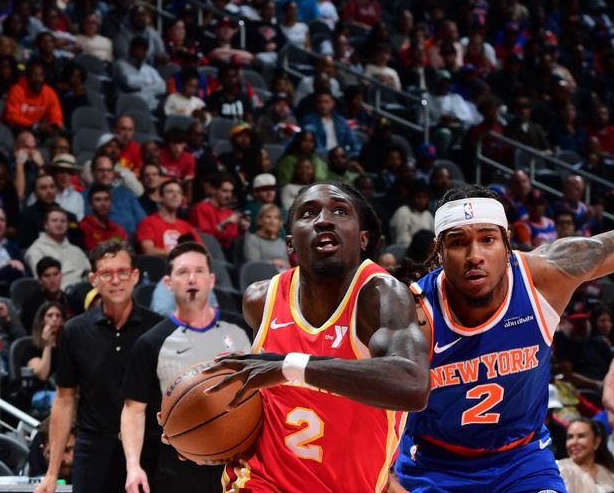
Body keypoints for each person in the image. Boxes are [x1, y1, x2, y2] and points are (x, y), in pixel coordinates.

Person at [203, 181, 429, 492]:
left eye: (339, 211)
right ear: (291, 242)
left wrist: (289, 366)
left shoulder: (380, 295)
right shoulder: (261, 299)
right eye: (308, 213)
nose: (323, 219)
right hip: (260, 483)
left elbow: (413, 385)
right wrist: (203, 428)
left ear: (364, 238)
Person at [394, 183, 614, 491]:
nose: (475, 256)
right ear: (439, 251)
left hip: (522, 460)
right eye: (458, 243)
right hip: (435, 466)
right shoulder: (412, 313)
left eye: (488, 239)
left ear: (507, 242)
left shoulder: (544, 277)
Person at [121, 242, 251, 493]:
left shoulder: (244, 329)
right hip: (179, 464)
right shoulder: (150, 343)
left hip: (240, 462)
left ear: (211, 279)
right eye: (183, 272)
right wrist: (133, 466)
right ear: (168, 283)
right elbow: (132, 411)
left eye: (199, 271)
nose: (192, 278)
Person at [34, 241, 162, 493]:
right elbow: (64, 400)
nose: (116, 280)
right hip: (93, 450)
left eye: (122, 272)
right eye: (106, 273)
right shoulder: (74, 330)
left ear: (135, 276)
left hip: (149, 448)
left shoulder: (157, 328)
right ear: (94, 279)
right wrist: (51, 473)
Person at [25, 205, 91, 289]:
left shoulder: (76, 250)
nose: (59, 224)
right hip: (57, 297)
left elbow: (89, 273)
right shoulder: (35, 250)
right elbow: (43, 281)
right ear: (46, 225)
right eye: (54, 221)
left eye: (63, 221)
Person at [136, 179, 201, 256]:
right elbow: (148, 250)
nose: (175, 195)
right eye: (170, 192)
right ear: (160, 197)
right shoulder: (148, 222)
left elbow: (201, 250)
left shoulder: (187, 226)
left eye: (179, 192)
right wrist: (178, 254)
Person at [22, 302, 66, 414]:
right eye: (50, 315)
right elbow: (42, 375)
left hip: (62, 391)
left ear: (62, 321)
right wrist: (47, 345)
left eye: (58, 315)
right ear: (42, 320)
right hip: (40, 393)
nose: (54, 319)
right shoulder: (31, 347)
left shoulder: (67, 346)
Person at [190, 173, 249, 251]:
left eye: (230, 192)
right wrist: (224, 223)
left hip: (228, 252)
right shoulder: (201, 208)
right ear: (214, 190)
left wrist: (242, 230)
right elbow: (206, 238)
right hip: (208, 251)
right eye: (225, 191)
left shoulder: (229, 213)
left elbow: (232, 239)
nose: (228, 195)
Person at [4, 61, 64, 136]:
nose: (38, 79)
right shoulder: (16, 90)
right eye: (34, 75)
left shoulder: (49, 92)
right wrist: (35, 125)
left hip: (38, 130)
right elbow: (11, 116)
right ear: (28, 76)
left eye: (40, 75)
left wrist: (55, 126)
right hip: (17, 130)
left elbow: (56, 114)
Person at [557, 419, 614, 492]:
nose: (574, 442)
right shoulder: (558, 470)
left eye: (581, 436)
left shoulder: (608, 472)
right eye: (570, 437)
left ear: (596, 441)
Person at [78, 183, 128, 251]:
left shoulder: (119, 230)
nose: (103, 204)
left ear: (111, 203)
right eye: (98, 200)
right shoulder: (83, 227)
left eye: (106, 199)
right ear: (90, 205)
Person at [244, 203, 290, 269]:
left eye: (276, 217)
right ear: (260, 220)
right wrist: (273, 262)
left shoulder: (281, 242)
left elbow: (287, 266)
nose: (272, 221)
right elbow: (253, 265)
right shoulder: (252, 239)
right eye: (268, 217)